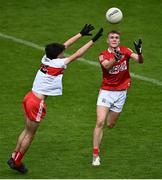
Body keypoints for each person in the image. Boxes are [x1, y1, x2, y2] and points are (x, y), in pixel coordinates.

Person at [7, 24, 103, 173]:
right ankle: (17, 161)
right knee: (31, 134)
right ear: (58, 55)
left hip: (29, 96)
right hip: (36, 102)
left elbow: (64, 45)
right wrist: (94, 40)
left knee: (26, 130)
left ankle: (14, 155)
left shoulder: (46, 58)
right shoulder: (59, 63)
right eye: (62, 52)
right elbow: (77, 54)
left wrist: (80, 34)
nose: (64, 52)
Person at [92, 30, 144, 166]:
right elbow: (107, 67)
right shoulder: (103, 55)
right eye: (111, 38)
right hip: (106, 92)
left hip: (121, 93)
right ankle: (95, 155)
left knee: (110, 124)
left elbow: (140, 61)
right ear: (107, 41)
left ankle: (107, 111)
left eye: (116, 38)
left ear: (119, 40)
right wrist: (116, 57)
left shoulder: (125, 50)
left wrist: (139, 53)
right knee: (100, 122)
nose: (114, 39)